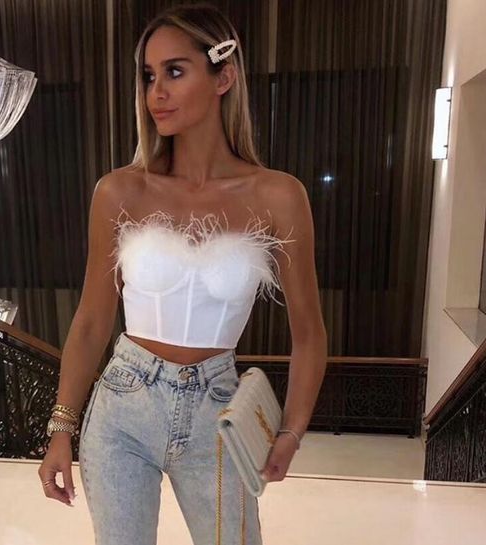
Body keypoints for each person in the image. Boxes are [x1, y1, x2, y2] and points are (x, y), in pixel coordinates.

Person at [38, 3, 327, 544]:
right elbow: (92, 321)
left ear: (224, 77)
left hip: (218, 412)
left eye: (174, 71)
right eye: (149, 76)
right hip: (123, 407)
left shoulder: (278, 196)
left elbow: (309, 333)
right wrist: (61, 428)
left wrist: (291, 430)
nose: (157, 93)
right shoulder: (120, 191)